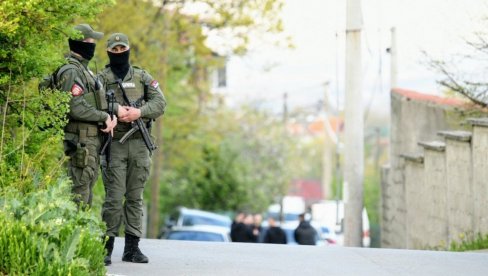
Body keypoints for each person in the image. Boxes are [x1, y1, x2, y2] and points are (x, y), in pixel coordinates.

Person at [98, 33, 166, 265]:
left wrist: (139, 112)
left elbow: (160, 103)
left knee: (135, 198)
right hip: (114, 144)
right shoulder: (102, 78)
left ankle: (132, 248)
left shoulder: (142, 76)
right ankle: (106, 247)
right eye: (114, 50)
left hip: (139, 144)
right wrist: (116, 109)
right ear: (108, 52)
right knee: (114, 198)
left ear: (128, 50)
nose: (118, 53)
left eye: (122, 49)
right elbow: (93, 102)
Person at [59, 24, 117, 207]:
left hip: (90, 141)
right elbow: (74, 106)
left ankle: (80, 232)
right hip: (80, 140)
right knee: (79, 195)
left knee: (86, 192)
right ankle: (72, 234)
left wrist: (112, 113)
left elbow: (92, 102)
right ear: (81, 42)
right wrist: (102, 117)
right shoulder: (71, 71)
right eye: (90, 41)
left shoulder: (84, 71)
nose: (93, 44)